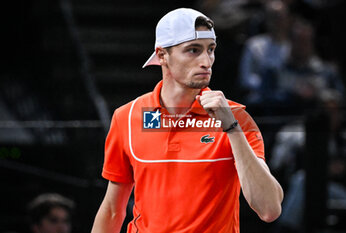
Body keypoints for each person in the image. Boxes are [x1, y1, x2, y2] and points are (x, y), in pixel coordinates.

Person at [91, 8, 283, 233]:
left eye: (210, 50)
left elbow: (269, 210)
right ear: (162, 55)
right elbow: (113, 210)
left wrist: (231, 128)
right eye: (193, 50)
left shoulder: (236, 117)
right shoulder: (127, 116)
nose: (206, 61)